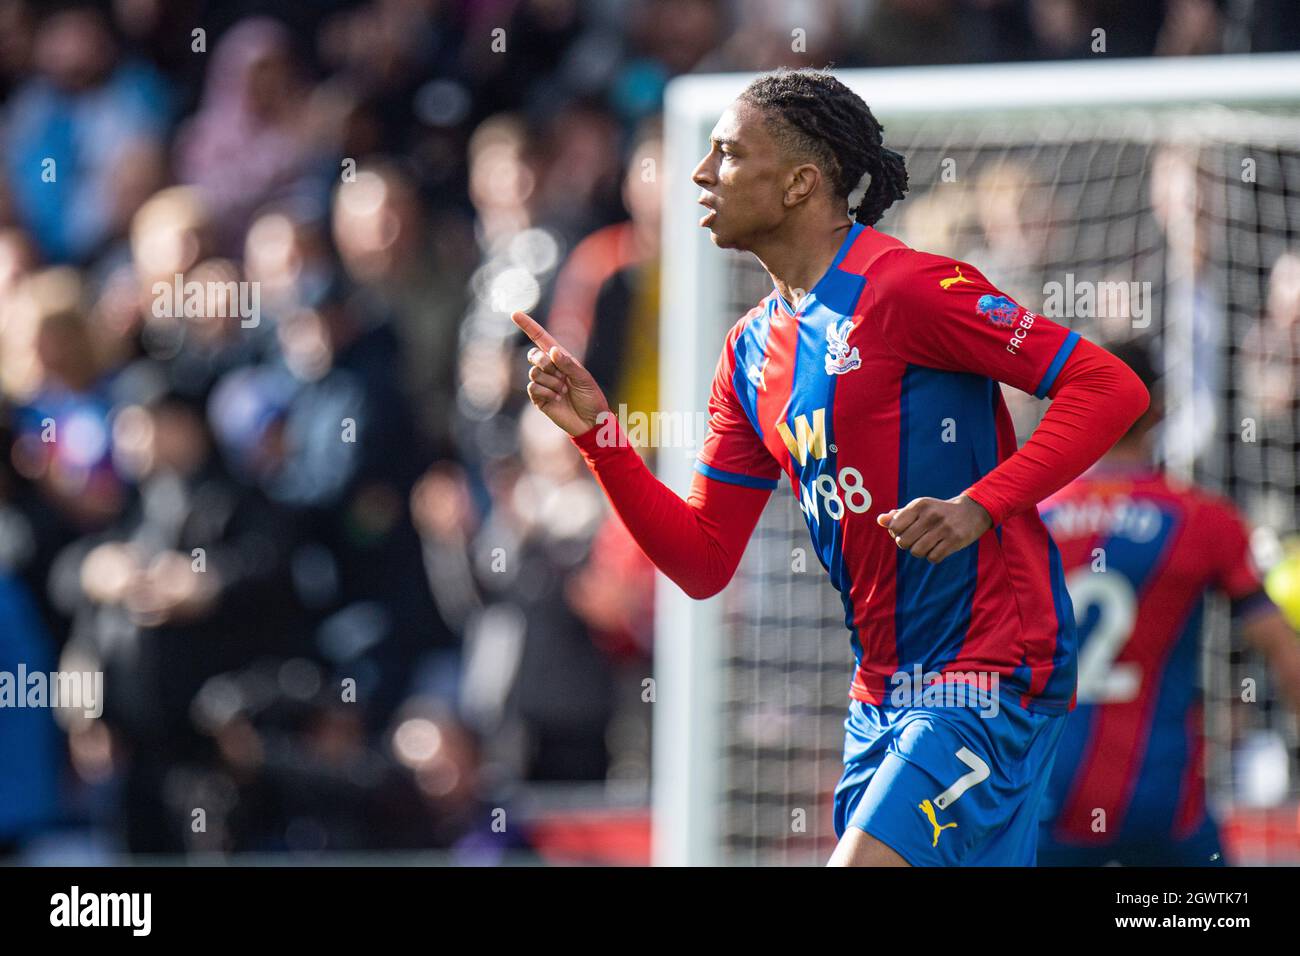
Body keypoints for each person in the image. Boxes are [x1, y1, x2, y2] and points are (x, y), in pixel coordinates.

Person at [512, 67, 1150, 867]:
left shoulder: (909, 287)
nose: (701, 174)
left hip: (987, 670)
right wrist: (599, 437)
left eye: (727, 154)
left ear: (801, 183)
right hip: (879, 691)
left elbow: (1109, 386)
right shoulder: (748, 352)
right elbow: (704, 560)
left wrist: (980, 504)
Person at [1036, 341, 1300, 865]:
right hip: (1163, 799)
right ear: (1157, 410)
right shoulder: (1204, 520)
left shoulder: (1032, 521)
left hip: (1050, 794)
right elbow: (1283, 653)